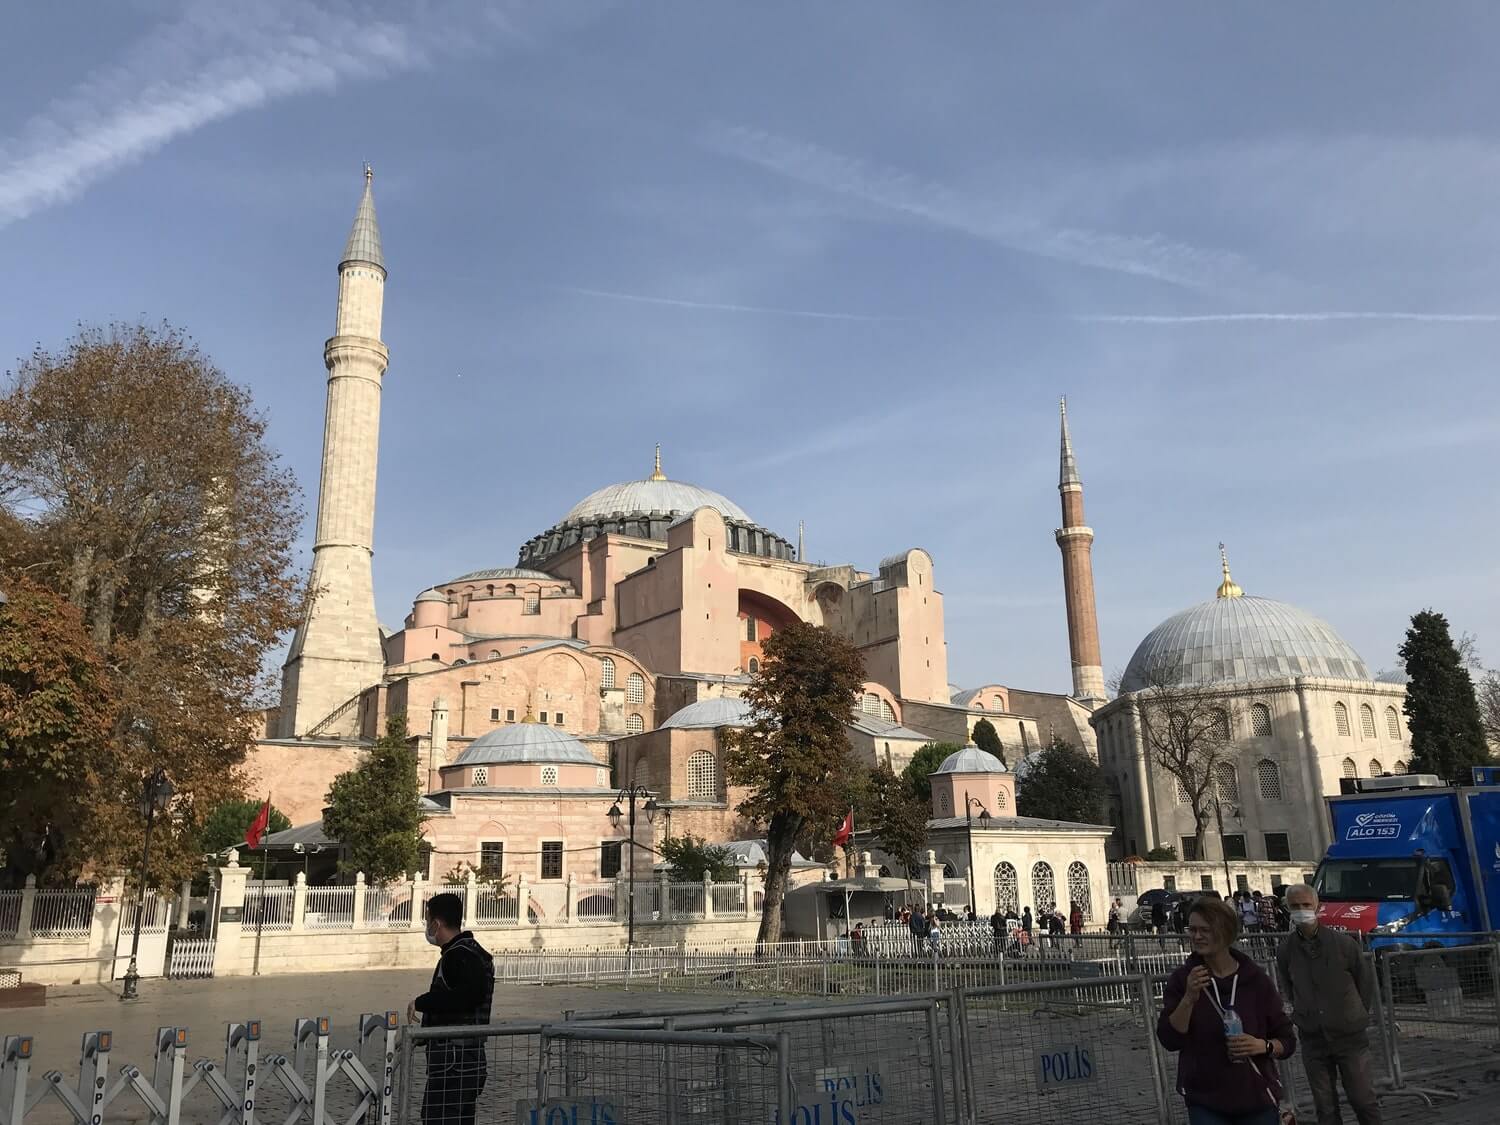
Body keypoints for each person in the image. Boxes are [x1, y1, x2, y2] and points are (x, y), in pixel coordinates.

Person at [1157, 897, 1297, 1124]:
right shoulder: (1183, 979)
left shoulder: (1256, 979)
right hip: (1205, 1099)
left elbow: (1287, 1039)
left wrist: (1262, 1045)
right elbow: (1170, 1039)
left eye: (1205, 930)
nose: (1197, 936)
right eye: (1192, 930)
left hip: (1255, 1094)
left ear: (1225, 931)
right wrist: (1189, 998)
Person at [1276, 884, 1382, 1125]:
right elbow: (1289, 987)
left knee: (1363, 1100)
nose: (1301, 910)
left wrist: (1353, 1015)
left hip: (1349, 1036)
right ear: (1287, 909)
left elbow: (1364, 983)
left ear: (1317, 906)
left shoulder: (1343, 945)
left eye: (1305, 905)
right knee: (1324, 1107)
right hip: (1313, 1038)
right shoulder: (1286, 950)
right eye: (1295, 906)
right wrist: (1304, 1013)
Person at [408, 892, 494, 1125]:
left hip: (453, 1060)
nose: (427, 928)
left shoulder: (459, 955)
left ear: (436, 923)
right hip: (471, 1055)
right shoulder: (473, 952)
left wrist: (422, 1002)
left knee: (439, 1118)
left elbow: (466, 996)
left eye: (428, 921)